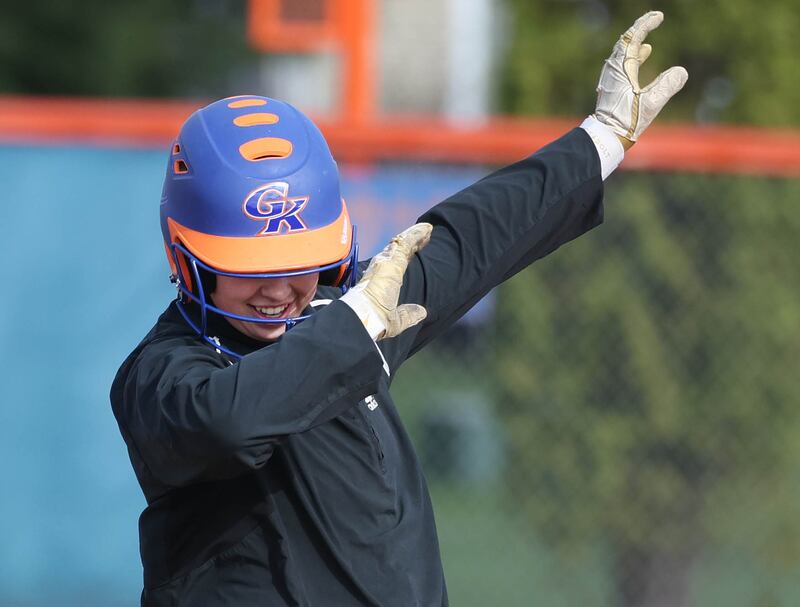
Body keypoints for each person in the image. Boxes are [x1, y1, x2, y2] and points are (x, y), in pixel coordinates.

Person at [111, 11, 687, 607]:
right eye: (252, 270)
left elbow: (469, 239)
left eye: (300, 262)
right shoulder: (162, 375)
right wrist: (355, 323)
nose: (280, 290)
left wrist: (602, 137)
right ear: (187, 258)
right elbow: (230, 422)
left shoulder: (348, 319)